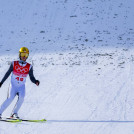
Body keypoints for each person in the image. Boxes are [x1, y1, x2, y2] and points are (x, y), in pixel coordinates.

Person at [0, 47, 40, 119]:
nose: (24, 56)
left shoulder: (29, 66)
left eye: (26, 55)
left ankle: (14, 113)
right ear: (19, 55)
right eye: (23, 54)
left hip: (21, 86)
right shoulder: (14, 63)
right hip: (13, 85)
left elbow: (31, 77)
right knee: (10, 98)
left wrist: (35, 81)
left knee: (21, 98)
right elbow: (7, 73)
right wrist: (1, 82)